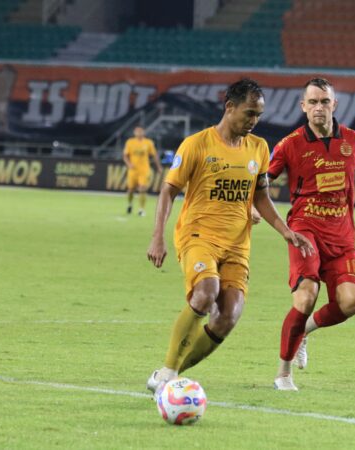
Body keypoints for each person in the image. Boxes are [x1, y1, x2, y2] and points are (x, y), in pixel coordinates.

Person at [145, 78, 314, 393]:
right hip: (199, 236)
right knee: (206, 292)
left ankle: (168, 374)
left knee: (229, 315)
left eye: (258, 115)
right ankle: (168, 373)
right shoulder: (197, 145)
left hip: (238, 245)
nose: (253, 121)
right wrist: (158, 236)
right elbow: (168, 190)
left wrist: (286, 232)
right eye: (249, 113)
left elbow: (260, 197)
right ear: (229, 108)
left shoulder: (259, 148)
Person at [268, 77, 355, 391]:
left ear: (334, 105)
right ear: (303, 107)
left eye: (324, 102)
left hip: (342, 238)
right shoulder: (289, 145)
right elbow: (263, 182)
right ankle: (283, 374)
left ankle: (304, 333)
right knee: (306, 296)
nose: (318, 108)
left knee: (353, 301)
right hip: (305, 232)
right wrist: (259, 210)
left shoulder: (353, 141)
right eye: (312, 102)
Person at [123, 126, 162, 217]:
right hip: (133, 170)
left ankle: (141, 209)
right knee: (130, 190)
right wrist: (129, 164)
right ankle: (130, 204)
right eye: (137, 131)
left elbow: (154, 155)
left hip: (144, 170)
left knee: (142, 188)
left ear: (143, 132)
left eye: (141, 131)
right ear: (134, 132)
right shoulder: (130, 142)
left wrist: (159, 167)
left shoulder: (148, 143)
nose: (139, 133)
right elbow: (125, 156)